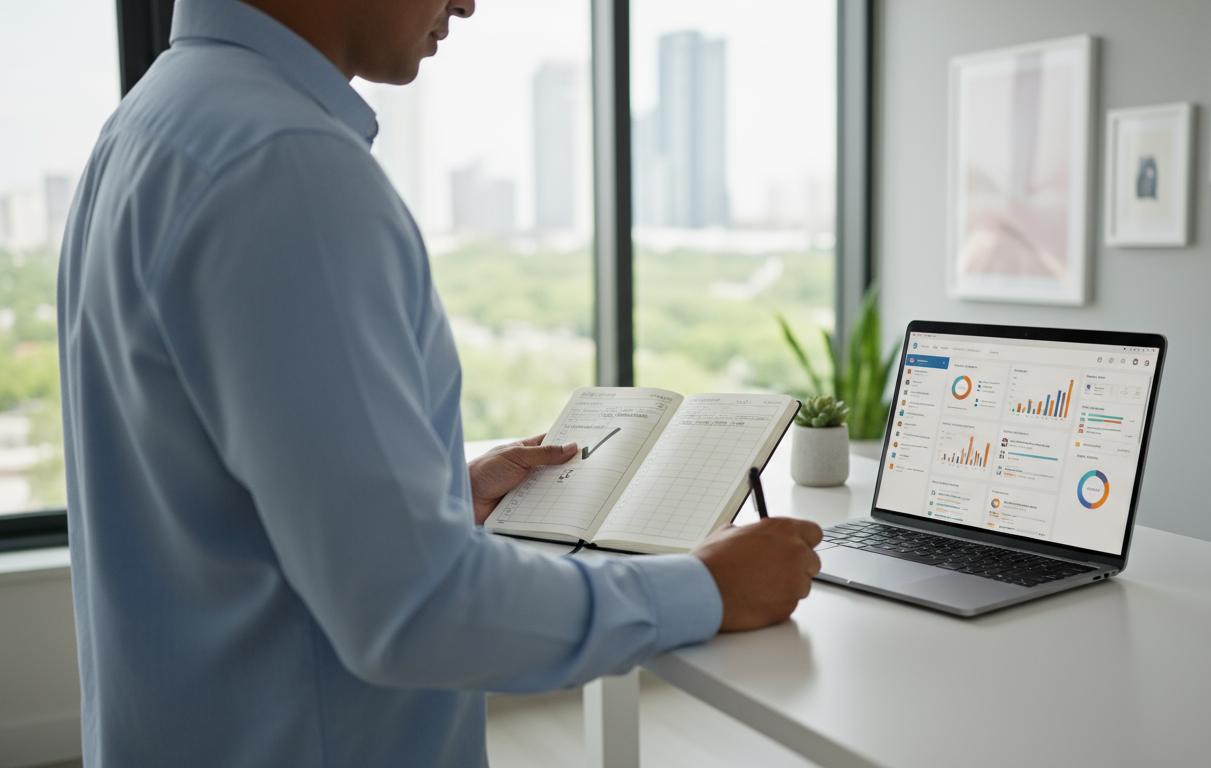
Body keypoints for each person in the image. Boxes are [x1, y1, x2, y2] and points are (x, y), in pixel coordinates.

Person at [56, 0, 822, 765]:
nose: (468, 1)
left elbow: (203, 496)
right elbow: (416, 611)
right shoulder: (286, 164)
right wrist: (705, 588)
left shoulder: (150, 123)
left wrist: (431, 497)